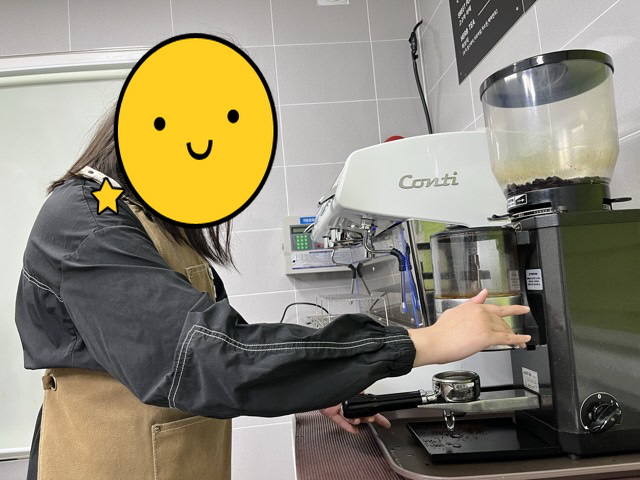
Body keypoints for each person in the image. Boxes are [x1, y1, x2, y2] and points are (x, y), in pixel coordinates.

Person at [15, 105, 531, 480]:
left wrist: (321, 382)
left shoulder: (152, 222)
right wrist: (418, 343)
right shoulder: (87, 220)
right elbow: (207, 357)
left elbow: (233, 342)